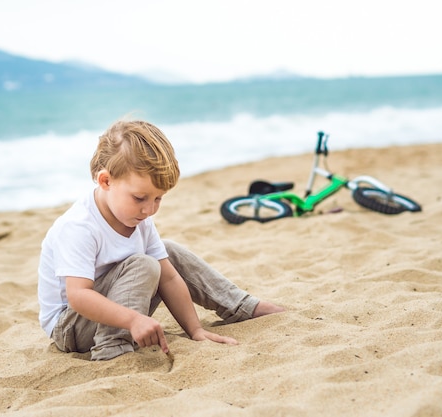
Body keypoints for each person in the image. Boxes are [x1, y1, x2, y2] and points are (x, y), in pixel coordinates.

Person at [37, 119, 284, 360]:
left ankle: (240, 306)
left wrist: (195, 330)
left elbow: (169, 276)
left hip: (122, 307)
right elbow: (79, 297)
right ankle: (112, 350)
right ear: (106, 181)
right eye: (139, 198)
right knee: (144, 263)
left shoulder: (139, 218)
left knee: (168, 252)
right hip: (71, 327)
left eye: (158, 199)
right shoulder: (79, 226)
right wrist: (133, 319)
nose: (149, 209)